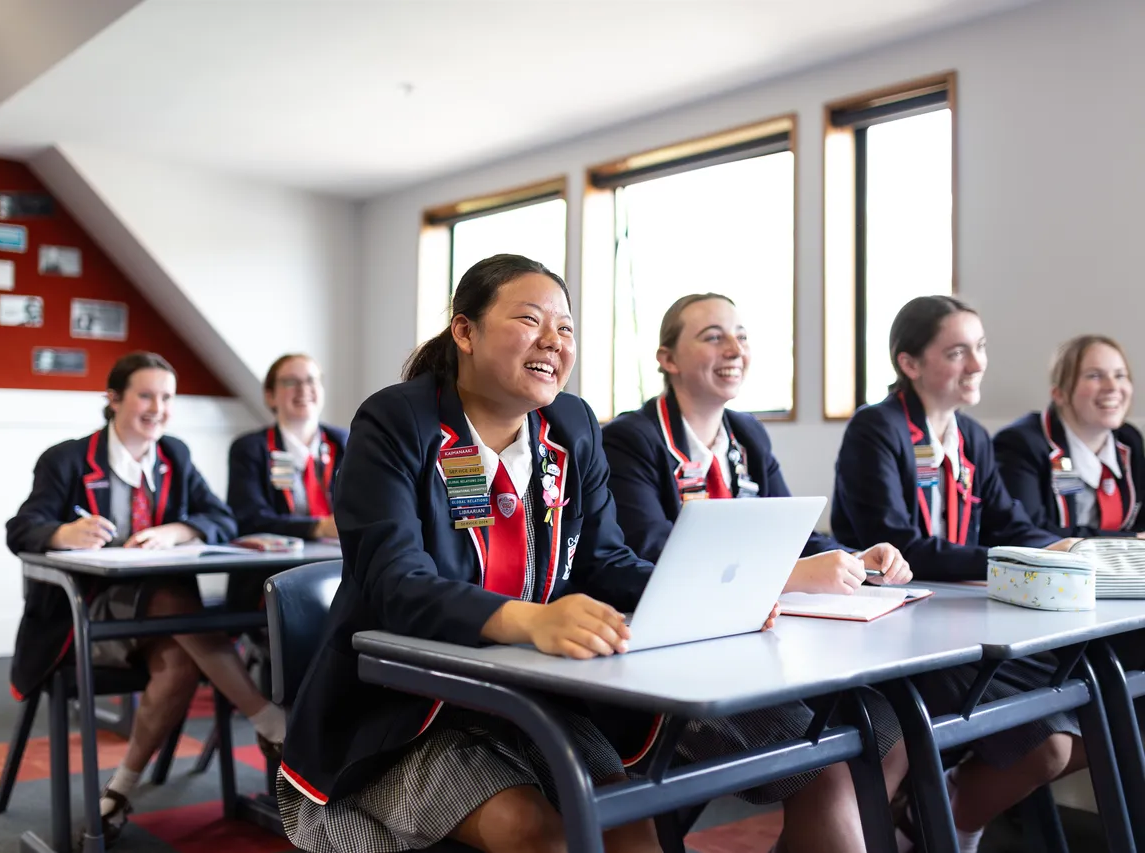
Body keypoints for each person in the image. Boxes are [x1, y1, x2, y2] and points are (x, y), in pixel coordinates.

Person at [276, 255, 883, 853]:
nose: (553, 341)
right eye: (530, 320)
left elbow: (606, 563)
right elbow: (396, 582)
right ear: (465, 331)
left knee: (623, 821)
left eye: (565, 327)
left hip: (538, 691)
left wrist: (715, 598)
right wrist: (534, 619)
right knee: (530, 830)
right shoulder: (397, 420)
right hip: (411, 707)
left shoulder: (570, 424)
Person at [831, 296, 1085, 853]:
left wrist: (1064, 548)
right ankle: (920, 824)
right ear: (910, 364)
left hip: (960, 622)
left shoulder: (969, 436)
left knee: (1066, 736)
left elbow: (1011, 524)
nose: (977, 364)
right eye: (958, 352)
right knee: (1048, 739)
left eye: (981, 348)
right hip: (892, 633)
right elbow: (899, 545)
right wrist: (1013, 561)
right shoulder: (877, 429)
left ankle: (934, 824)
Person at [5, 351, 288, 848]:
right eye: (146, 395)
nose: (158, 407)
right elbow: (22, 529)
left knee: (179, 660)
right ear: (113, 400)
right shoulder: (68, 459)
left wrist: (176, 531)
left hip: (160, 622)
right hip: (86, 619)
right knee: (171, 600)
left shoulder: (173, 454)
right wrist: (66, 532)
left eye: (167, 397)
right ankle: (267, 718)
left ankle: (117, 793)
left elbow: (222, 519)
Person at [603, 292, 914, 592]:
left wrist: (855, 559)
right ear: (668, 359)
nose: (735, 351)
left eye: (741, 337)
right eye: (714, 337)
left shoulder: (747, 432)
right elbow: (653, 551)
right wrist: (788, 576)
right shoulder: (630, 440)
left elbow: (791, 532)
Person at [994, 335, 1145, 538]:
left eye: (1120, 375)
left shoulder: (1128, 440)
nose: (1112, 387)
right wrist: (1131, 542)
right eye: (1095, 376)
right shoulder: (1021, 444)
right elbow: (1029, 534)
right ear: (1059, 393)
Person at [227, 353, 346, 607]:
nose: (303, 389)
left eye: (311, 380)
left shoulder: (346, 442)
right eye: (290, 382)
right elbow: (249, 518)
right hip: (272, 577)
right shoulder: (250, 448)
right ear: (270, 396)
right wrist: (318, 527)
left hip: (340, 570)